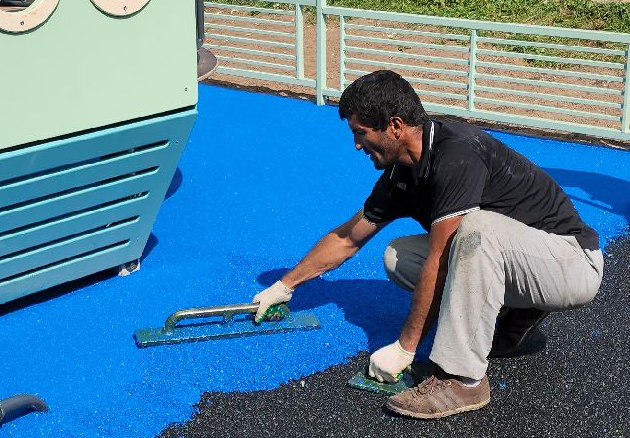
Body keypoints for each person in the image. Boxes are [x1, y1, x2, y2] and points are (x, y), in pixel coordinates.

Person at [253, 70, 605, 419]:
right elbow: (348, 238)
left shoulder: (456, 155)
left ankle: (463, 380)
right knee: (400, 256)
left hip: (571, 263)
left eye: (361, 133)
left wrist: (405, 349)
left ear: (394, 126)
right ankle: (516, 315)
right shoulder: (402, 173)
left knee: (473, 231)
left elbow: (441, 259)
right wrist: (285, 286)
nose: (357, 145)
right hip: (522, 261)